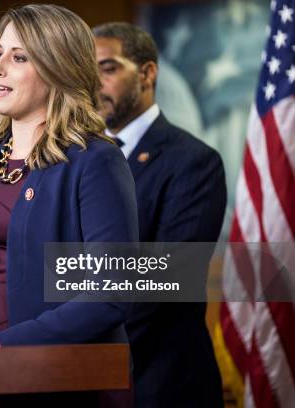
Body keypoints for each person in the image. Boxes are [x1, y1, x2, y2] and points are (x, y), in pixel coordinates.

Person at [0, 4, 138, 352]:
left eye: (19, 58)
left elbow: (110, 295)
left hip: (57, 372)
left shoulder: (96, 161)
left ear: (58, 71)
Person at [92, 22, 227, 407]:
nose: (95, 84)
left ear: (148, 73)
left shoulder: (193, 161)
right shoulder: (78, 161)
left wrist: (78, 330)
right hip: (87, 378)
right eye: (88, 72)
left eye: (108, 68)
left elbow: (166, 277)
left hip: (163, 384)